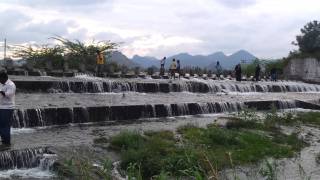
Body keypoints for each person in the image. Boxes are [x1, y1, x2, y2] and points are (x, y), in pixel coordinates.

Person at [0, 71, 16, 147]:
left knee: (5, 126)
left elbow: (8, 95)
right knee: (1, 125)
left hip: (7, 108)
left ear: (4, 78)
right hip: (1, 107)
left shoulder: (11, 85)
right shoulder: (1, 83)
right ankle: (3, 141)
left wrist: (1, 92)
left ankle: (6, 142)